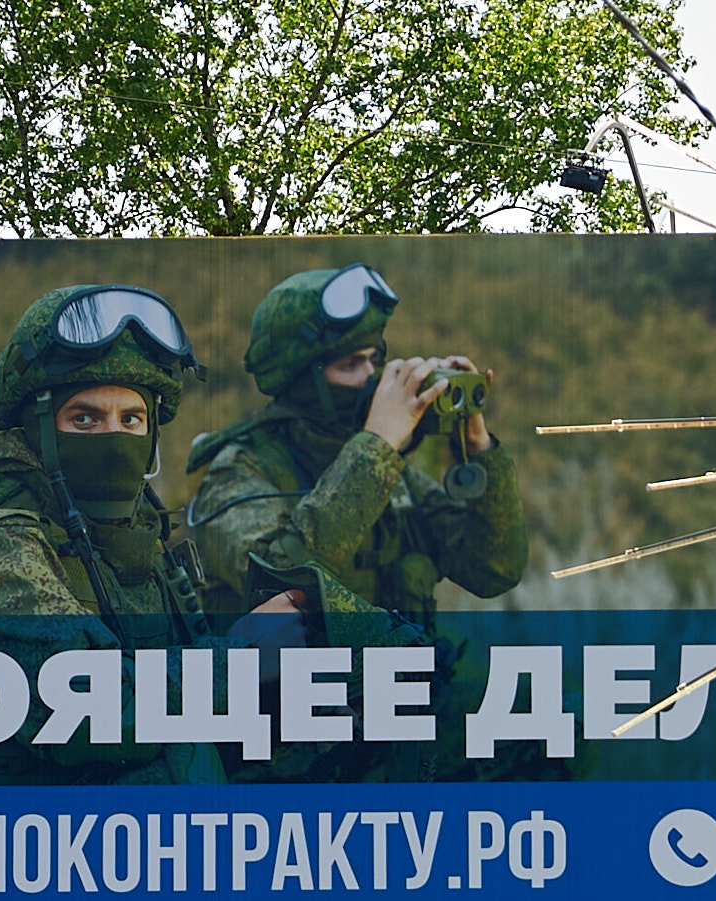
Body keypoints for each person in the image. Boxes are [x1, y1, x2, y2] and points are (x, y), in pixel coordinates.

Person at [185, 262, 530, 776]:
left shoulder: (390, 471)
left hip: (397, 718)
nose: (372, 380)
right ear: (302, 376)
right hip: (294, 745)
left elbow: (493, 569)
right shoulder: (241, 470)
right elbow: (279, 578)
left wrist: (476, 447)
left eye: (375, 360)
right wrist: (377, 444)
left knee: (548, 718)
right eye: (351, 364)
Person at [0, 284, 226, 785]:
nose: (113, 437)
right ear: (38, 428)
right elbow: (89, 711)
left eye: (131, 418)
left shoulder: (135, 532)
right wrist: (246, 659)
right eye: (84, 417)